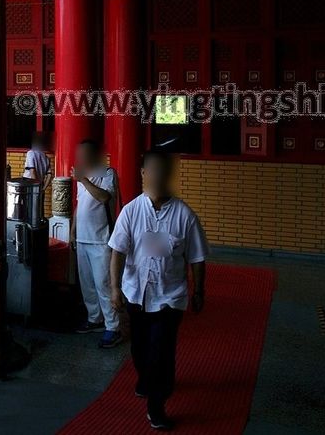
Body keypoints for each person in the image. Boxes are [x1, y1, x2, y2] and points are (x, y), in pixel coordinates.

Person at [109, 150, 209, 431]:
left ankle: (157, 404)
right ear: (143, 174)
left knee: (161, 352)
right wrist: (115, 289)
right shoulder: (130, 211)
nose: (157, 177)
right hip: (136, 294)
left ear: (169, 176)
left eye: (163, 171)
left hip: (170, 296)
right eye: (152, 171)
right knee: (140, 348)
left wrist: (199, 291)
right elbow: (117, 252)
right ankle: (145, 377)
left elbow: (197, 257)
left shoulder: (185, 215)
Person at [70, 139, 122, 348]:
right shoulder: (82, 177)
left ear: (94, 155)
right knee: (87, 283)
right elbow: (79, 205)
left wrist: (84, 181)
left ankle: (114, 327)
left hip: (101, 239)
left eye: (84, 154)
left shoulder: (108, 173)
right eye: (79, 154)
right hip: (82, 238)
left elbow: (104, 198)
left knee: (104, 284)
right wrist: (73, 231)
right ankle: (95, 319)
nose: (80, 158)